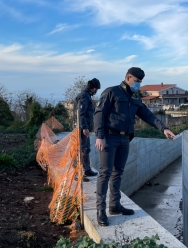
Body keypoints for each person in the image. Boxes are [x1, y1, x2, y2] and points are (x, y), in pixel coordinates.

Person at [93, 67, 176, 226]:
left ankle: (115, 205)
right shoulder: (112, 92)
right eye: (137, 81)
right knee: (105, 173)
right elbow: (99, 113)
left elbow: (148, 115)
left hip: (125, 139)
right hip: (109, 138)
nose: (138, 85)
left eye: (140, 82)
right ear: (128, 77)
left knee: (118, 172)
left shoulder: (135, 98)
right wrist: (100, 136)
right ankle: (100, 211)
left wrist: (163, 128)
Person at [74, 78, 101, 181]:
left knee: (86, 149)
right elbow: (80, 113)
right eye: (96, 89)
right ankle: (78, 174)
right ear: (93, 88)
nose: (96, 91)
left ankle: (87, 170)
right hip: (81, 128)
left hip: (84, 127)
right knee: (81, 151)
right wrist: (84, 127)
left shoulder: (86, 95)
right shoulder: (85, 96)